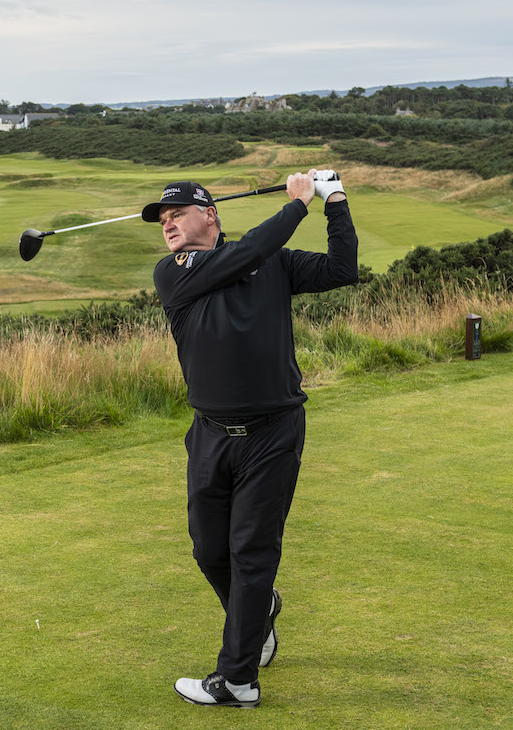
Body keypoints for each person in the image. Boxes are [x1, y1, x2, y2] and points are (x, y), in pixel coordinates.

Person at [143, 171, 357, 709]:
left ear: (209, 214)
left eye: (177, 215)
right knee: (209, 549)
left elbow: (341, 269)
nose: (167, 226)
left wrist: (335, 201)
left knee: (251, 553)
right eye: (162, 221)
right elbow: (247, 252)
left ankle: (237, 679)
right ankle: (257, 616)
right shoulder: (174, 274)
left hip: (273, 432)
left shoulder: (273, 263)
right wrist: (297, 204)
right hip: (210, 435)